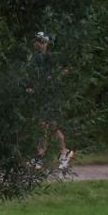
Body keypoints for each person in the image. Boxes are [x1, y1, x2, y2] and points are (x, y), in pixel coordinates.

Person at [31, 32, 75, 171]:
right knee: (50, 127)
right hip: (42, 96)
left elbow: (67, 69)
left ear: (45, 43)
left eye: (40, 41)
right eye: (36, 41)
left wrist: (54, 78)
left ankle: (39, 158)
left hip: (50, 97)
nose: (37, 43)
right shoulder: (35, 58)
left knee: (43, 125)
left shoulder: (51, 58)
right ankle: (64, 152)